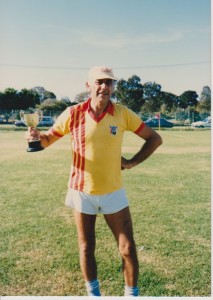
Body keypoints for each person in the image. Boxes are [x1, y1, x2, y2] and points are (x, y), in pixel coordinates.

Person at [26, 66, 162, 297]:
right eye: (99, 82)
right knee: (86, 248)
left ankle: (132, 294)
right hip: (82, 192)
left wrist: (131, 162)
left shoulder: (122, 113)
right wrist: (35, 139)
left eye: (109, 83)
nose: (104, 87)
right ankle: (94, 295)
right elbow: (47, 140)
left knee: (128, 249)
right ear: (88, 85)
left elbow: (154, 138)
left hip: (113, 191)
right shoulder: (73, 113)